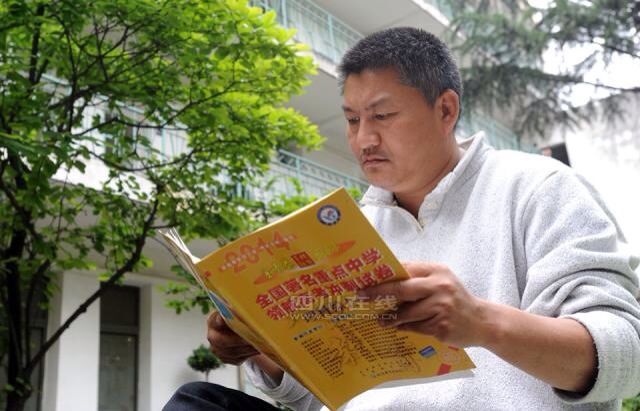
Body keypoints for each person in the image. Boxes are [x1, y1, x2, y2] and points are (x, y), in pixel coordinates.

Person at [165, 27, 640, 410]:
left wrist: (482, 322)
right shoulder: (353, 226)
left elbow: (629, 356)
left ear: (445, 109)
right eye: (353, 120)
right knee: (198, 402)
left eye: (383, 115)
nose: (363, 140)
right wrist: (263, 349)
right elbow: (322, 397)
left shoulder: (539, 187)